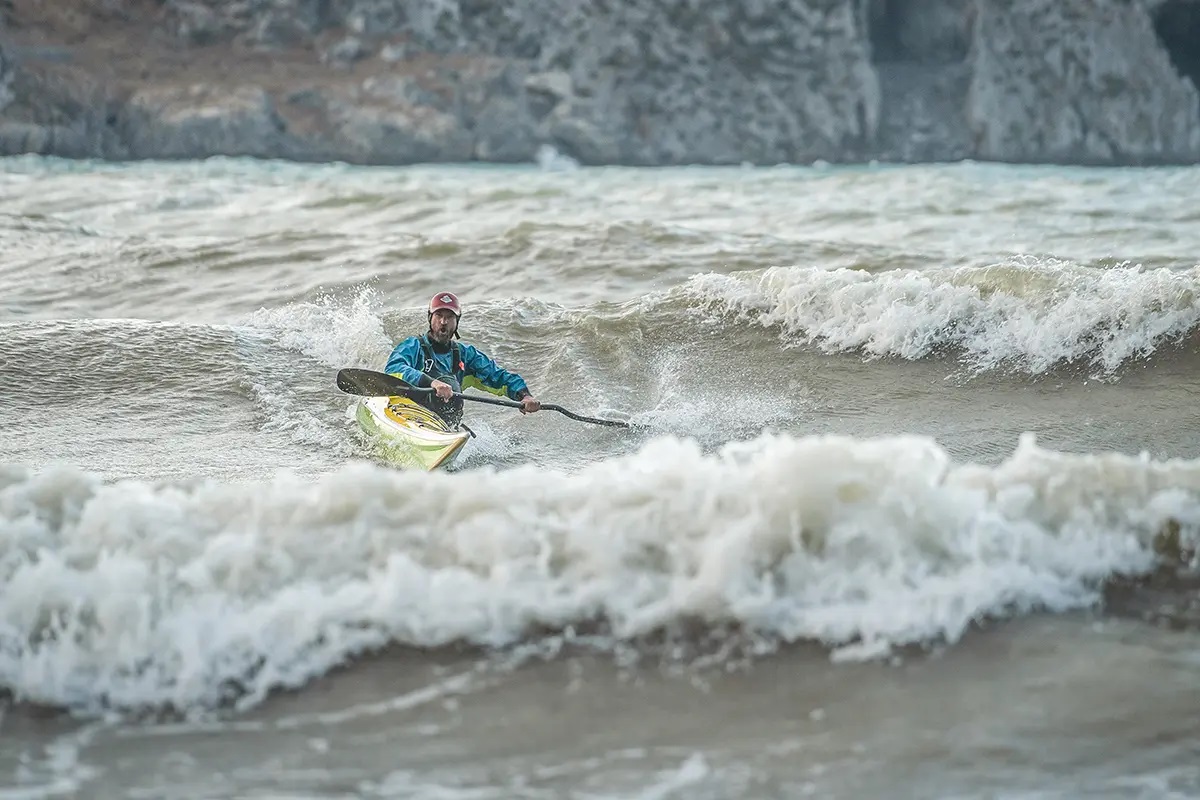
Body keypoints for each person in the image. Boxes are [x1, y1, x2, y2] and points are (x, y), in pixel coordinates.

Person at [384, 291, 540, 427]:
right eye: (438, 315)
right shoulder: (413, 346)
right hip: (407, 413)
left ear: (456, 322)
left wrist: (524, 395)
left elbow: (498, 376)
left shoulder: (466, 355)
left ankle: (447, 433)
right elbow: (393, 369)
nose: (443, 322)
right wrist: (432, 382)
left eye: (449, 317)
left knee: (452, 387)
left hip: (441, 424)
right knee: (443, 383)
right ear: (430, 318)